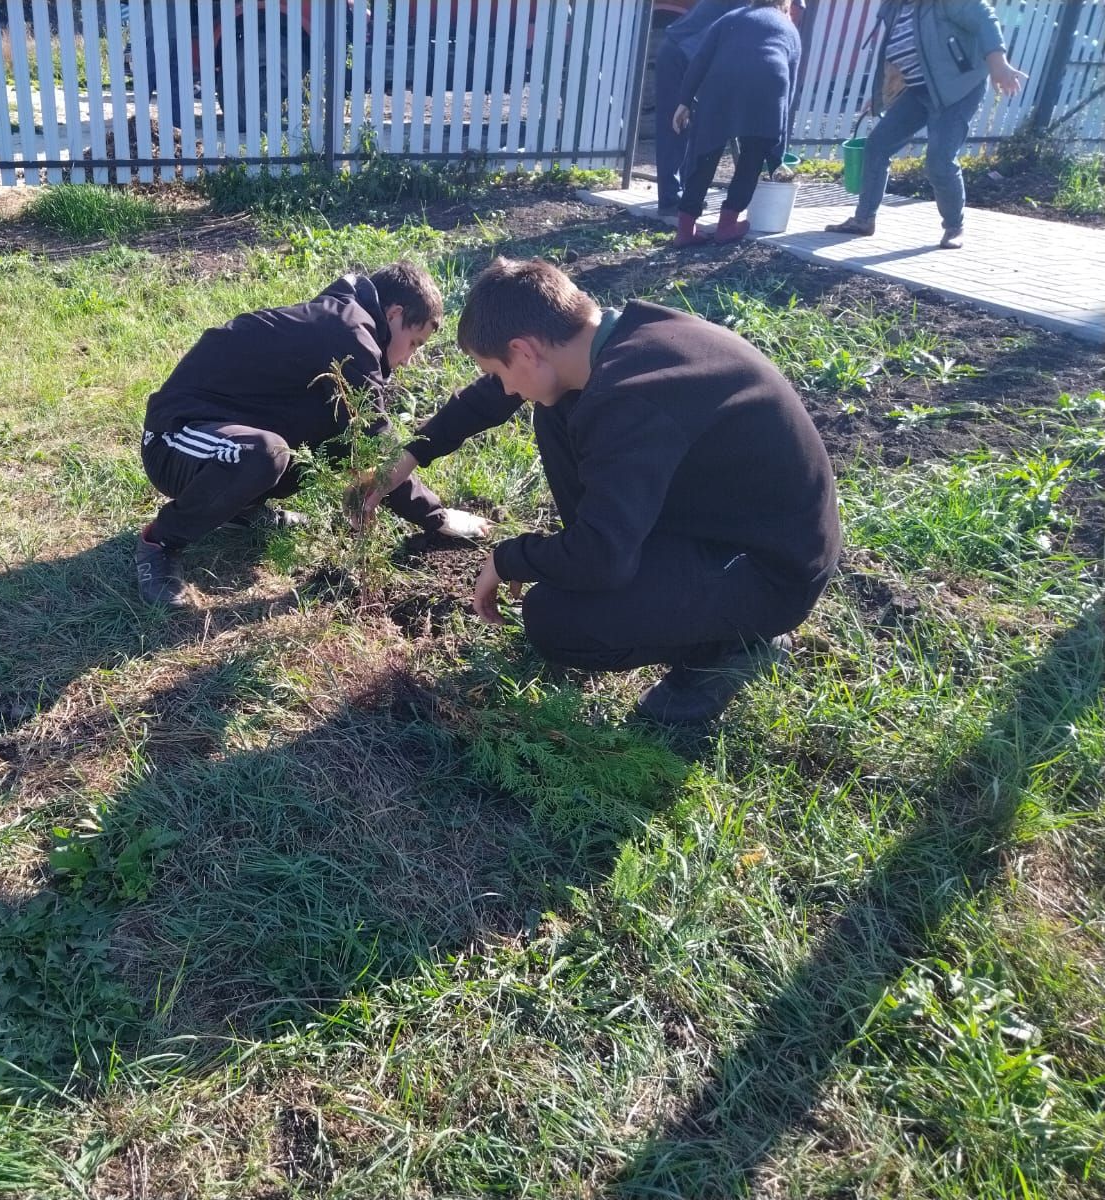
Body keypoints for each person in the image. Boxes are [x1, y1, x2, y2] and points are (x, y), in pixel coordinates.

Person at [360, 259, 842, 727]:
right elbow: (492, 396)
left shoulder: (630, 401)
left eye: (502, 371)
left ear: (525, 349)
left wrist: (509, 559)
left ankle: (733, 648)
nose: (505, 386)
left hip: (768, 572)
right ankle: (623, 561)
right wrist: (410, 456)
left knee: (554, 619)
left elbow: (603, 558)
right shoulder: (608, 340)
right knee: (555, 406)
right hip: (726, 522)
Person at [135, 263, 491, 607]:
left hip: (222, 437)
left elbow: (357, 446)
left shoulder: (346, 323)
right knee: (263, 454)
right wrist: (437, 516)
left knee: (328, 445)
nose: (410, 359)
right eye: (415, 343)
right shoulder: (350, 335)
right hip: (174, 440)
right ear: (395, 314)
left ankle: (241, 509)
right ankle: (160, 542)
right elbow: (379, 450)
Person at [825, 0, 1026, 250]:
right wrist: (879, 96)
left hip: (958, 89)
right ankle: (863, 220)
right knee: (877, 145)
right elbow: (901, 58)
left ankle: (954, 226)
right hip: (921, 90)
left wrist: (998, 64)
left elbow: (984, 17)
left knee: (939, 160)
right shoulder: (896, 8)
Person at [671, 0, 803, 246]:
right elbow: (791, 86)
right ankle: (727, 224)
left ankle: (685, 229)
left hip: (723, 85)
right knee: (753, 157)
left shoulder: (730, 19)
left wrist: (685, 101)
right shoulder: (789, 30)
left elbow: (700, 60)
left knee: (706, 152)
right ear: (784, 5)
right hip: (770, 85)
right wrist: (778, 146)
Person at [652, 0, 742, 218]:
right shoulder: (744, 9)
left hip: (696, 56)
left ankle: (683, 195)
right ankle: (670, 199)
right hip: (679, 54)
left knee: (694, 127)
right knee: (675, 126)